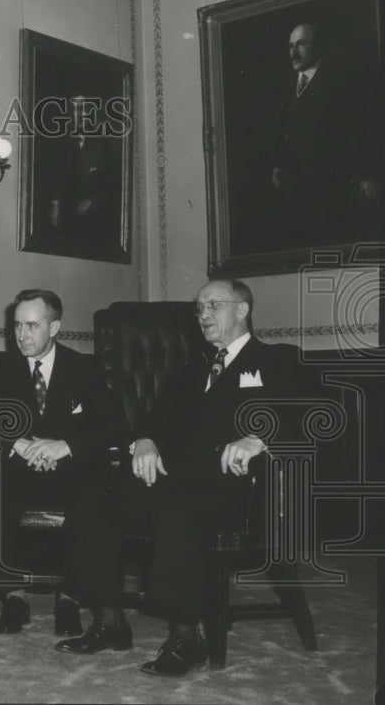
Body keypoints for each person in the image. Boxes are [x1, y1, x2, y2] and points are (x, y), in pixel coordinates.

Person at [56, 279, 311, 677]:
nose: (203, 315)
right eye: (199, 308)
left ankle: (186, 637)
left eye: (213, 305)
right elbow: (155, 420)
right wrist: (144, 441)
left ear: (242, 310)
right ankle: (109, 622)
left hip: (235, 487)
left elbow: (310, 415)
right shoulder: (192, 367)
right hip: (175, 477)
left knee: (179, 508)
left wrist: (260, 438)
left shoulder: (279, 359)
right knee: (95, 497)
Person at [0, 289, 128, 636]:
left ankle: (69, 598)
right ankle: (13, 596)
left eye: (32, 326)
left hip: (71, 469)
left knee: (91, 496)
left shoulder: (84, 368)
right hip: (18, 466)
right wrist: (17, 443)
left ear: (55, 327)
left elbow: (116, 425)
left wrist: (64, 446)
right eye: (17, 325)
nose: (22, 335)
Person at [270, 22, 380, 247]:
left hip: (329, 185)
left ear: (318, 46)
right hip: (295, 185)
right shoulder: (288, 87)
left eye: (301, 44)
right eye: (291, 46)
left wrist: (364, 175)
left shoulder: (339, 81)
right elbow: (285, 131)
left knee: (328, 242)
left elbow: (355, 129)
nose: (294, 52)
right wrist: (278, 165)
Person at [50, 96, 122, 244]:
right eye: (76, 109)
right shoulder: (63, 142)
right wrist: (55, 204)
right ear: (70, 114)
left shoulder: (101, 144)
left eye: (84, 109)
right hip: (67, 218)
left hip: (95, 221)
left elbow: (115, 184)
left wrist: (91, 202)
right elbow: (58, 177)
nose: (80, 114)